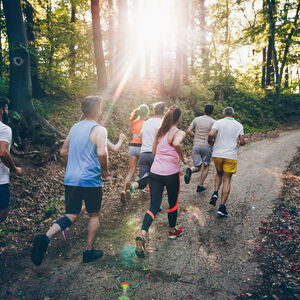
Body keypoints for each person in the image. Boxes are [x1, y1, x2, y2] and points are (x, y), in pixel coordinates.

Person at [31, 96, 109, 265]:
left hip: (71, 179)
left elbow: (63, 152)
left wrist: (77, 163)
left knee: (71, 214)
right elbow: (102, 154)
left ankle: (45, 237)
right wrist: (105, 170)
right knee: (94, 214)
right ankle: (88, 251)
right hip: (90, 180)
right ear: (96, 109)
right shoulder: (99, 129)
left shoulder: (74, 128)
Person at [135, 106, 186, 258]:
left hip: (155, 173)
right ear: (178, 118)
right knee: (173, 203)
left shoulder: (160, 132)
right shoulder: (178, 132)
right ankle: (172, 231)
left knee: (153, 206)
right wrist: (183, 159)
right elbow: (177, 144)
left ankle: (142, 234)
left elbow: (154, 152)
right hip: (171, 174)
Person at [61, 132, 126, 243]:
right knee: (92, 210)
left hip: (75, 175)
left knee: (79, 206)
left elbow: (64, 152)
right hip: (90, 175)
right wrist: (121, 139)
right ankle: (88, 246)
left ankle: (66, 224)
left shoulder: (80, 131)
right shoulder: (100, 133)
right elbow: (114, 149)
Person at [208, 107, 245, 217]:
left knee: (219, 173)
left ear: (223, 115)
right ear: (233, 115)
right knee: (227, 179)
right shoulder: (239, 125)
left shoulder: (218, 122)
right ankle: (222, 207)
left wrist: (210, 141)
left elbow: (211, 134)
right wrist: (240, 141)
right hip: (230, 155)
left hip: (217, 154)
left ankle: (215, 192)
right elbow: (242, 142)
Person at [126, 102, 165, 199]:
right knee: (156, 180)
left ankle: (132, 186)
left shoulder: (147, 122)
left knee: (142, 181)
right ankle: (155, 203)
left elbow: (140, 135)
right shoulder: (162, 123)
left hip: (143, 154)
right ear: (163, 112)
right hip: (154, 154)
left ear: (153, 111)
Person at [121, 104, 149, 204]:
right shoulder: (146, 123)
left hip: (132, 147)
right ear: (147, 113)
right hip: (142, 148)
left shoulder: (134, 122)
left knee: (131, 171)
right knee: (147, 168)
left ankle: (124, 191)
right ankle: (146, 187)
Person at [0, 97, 22, 222]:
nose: (7, 111)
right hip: (0, 181)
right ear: (1, 110)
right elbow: (3, 153)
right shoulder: (4, 129)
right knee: (3, 210)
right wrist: (14, 169)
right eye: (6, 108)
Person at [185, 104, 215, 192]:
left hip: (196, 145)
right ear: (212, 112)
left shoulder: (196, 119)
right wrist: (212, 141)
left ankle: (190, 170)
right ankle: (200, 185)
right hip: (206, 146)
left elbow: (189, 130)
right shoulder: (213, 122)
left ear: (204, 111)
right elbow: (213, 135)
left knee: (197, 167)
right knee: (206, 166)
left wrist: (194, 137)